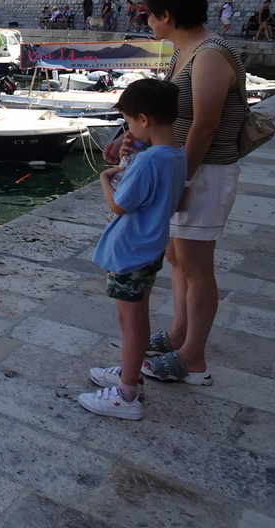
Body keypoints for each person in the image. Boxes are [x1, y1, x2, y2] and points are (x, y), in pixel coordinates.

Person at [103, 0, 246, 387]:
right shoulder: (183, 53)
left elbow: (204, 125)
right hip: (182, 168)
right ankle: (180, 333)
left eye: (150, 15)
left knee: (198, 265)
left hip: (203, 171)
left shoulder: (210, 55)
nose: (148, 23)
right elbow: (167, 115)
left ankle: (193, 358)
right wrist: (130, 136)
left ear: (167, 14)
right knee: (177, 258)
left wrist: (181, 181)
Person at [79, 79, 187, 420]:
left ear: (143, 119)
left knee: (130, 321)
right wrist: (131, 156)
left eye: (127, 121)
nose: (126, 128)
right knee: (138, 316)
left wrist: (105, 179)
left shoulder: (149, 161)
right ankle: (130, 373)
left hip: (129, 249)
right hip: (151, 247)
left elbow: (120, 206)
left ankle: (126, 395)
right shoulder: (175, 153)